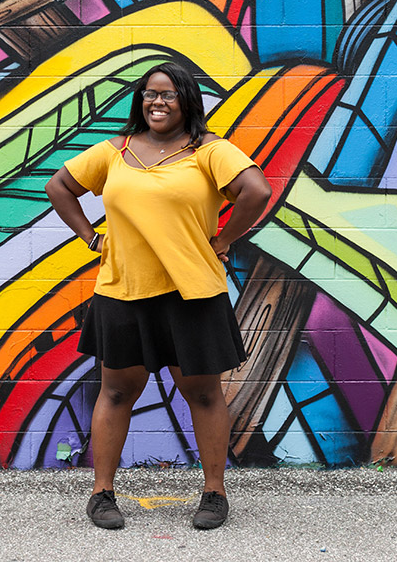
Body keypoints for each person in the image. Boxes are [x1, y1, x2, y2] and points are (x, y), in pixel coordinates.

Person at [44, 61, 273, 531]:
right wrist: (91, 238)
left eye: (168, 94)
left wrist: (224, 238)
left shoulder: (208, 151)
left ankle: (214, 493)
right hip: (124, 291)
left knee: (204, 394)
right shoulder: (115, 151)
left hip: (192, 292)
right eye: (150, 93)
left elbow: (257, 190)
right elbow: (59, 186)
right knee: (116, 391)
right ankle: (101, 494)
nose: (157, 102)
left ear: (188, 100)